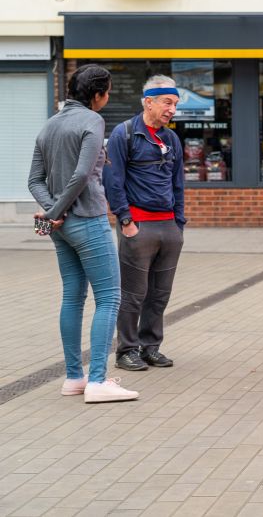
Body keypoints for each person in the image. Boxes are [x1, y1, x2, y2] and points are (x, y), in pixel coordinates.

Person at [27, 64, 139, 403]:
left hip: (60, 228)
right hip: (87, 220)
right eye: (107, 92)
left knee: (73, 297)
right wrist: (56, 212)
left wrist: (52, 213)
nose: (107, 97)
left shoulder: (50, 124)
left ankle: (74, 378)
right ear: (97, 94)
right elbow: (81, 175)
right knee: (109, 297)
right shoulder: (92, 120)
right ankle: (99, 382)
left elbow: (34, 180)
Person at [103, 75, 185, 372]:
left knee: (159, 295)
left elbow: (178, 184)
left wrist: (179, 224)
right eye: (167, 102)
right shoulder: (124, 134)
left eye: (175, 104)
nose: (172, 109)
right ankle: (126, 351)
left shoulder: (171, 139)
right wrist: (126, 220)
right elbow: (112, 181)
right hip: (138, 226)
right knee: (133, 295)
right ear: (148, 102)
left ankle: (151, 348)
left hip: (168, 227)